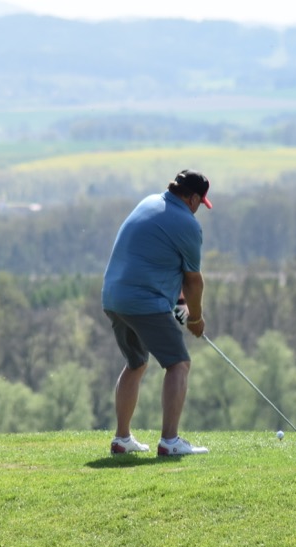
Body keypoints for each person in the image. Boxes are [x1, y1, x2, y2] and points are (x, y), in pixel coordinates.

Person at [101, 169, 213, 456]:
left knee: (136, 363)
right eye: (200, 203)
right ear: (193, 198)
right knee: (179, 364)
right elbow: (193, 280)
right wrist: (196, 319)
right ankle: (170, 442)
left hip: (113, 297)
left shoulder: (149, 202)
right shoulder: (188, 224)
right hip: (143, 301)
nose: (198, 209)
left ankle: (122, 439)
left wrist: (179, 303)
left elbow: (158, 262)